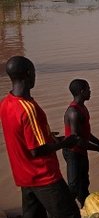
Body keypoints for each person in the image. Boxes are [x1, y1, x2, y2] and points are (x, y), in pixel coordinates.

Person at [0, 56, 81, 218]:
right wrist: (66, 143)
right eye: (34, 72)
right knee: (70, 214)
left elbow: (22, 138)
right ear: (29, 73)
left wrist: (50, 137)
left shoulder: (6, 103)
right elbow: (36, 150)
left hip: (24, 177)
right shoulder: (28, 109)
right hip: (44, 177)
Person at [63, 79, 99, 207]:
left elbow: (86, 134)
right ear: (82, 91)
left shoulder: (82, 108)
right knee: (74, 186)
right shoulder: (73, 112)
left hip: (81, 150)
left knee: (84, 183)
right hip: (73, 152)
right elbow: (77, 140)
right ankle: (63, 211)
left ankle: (85, 208)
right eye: (88, 89)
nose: (90, 91)